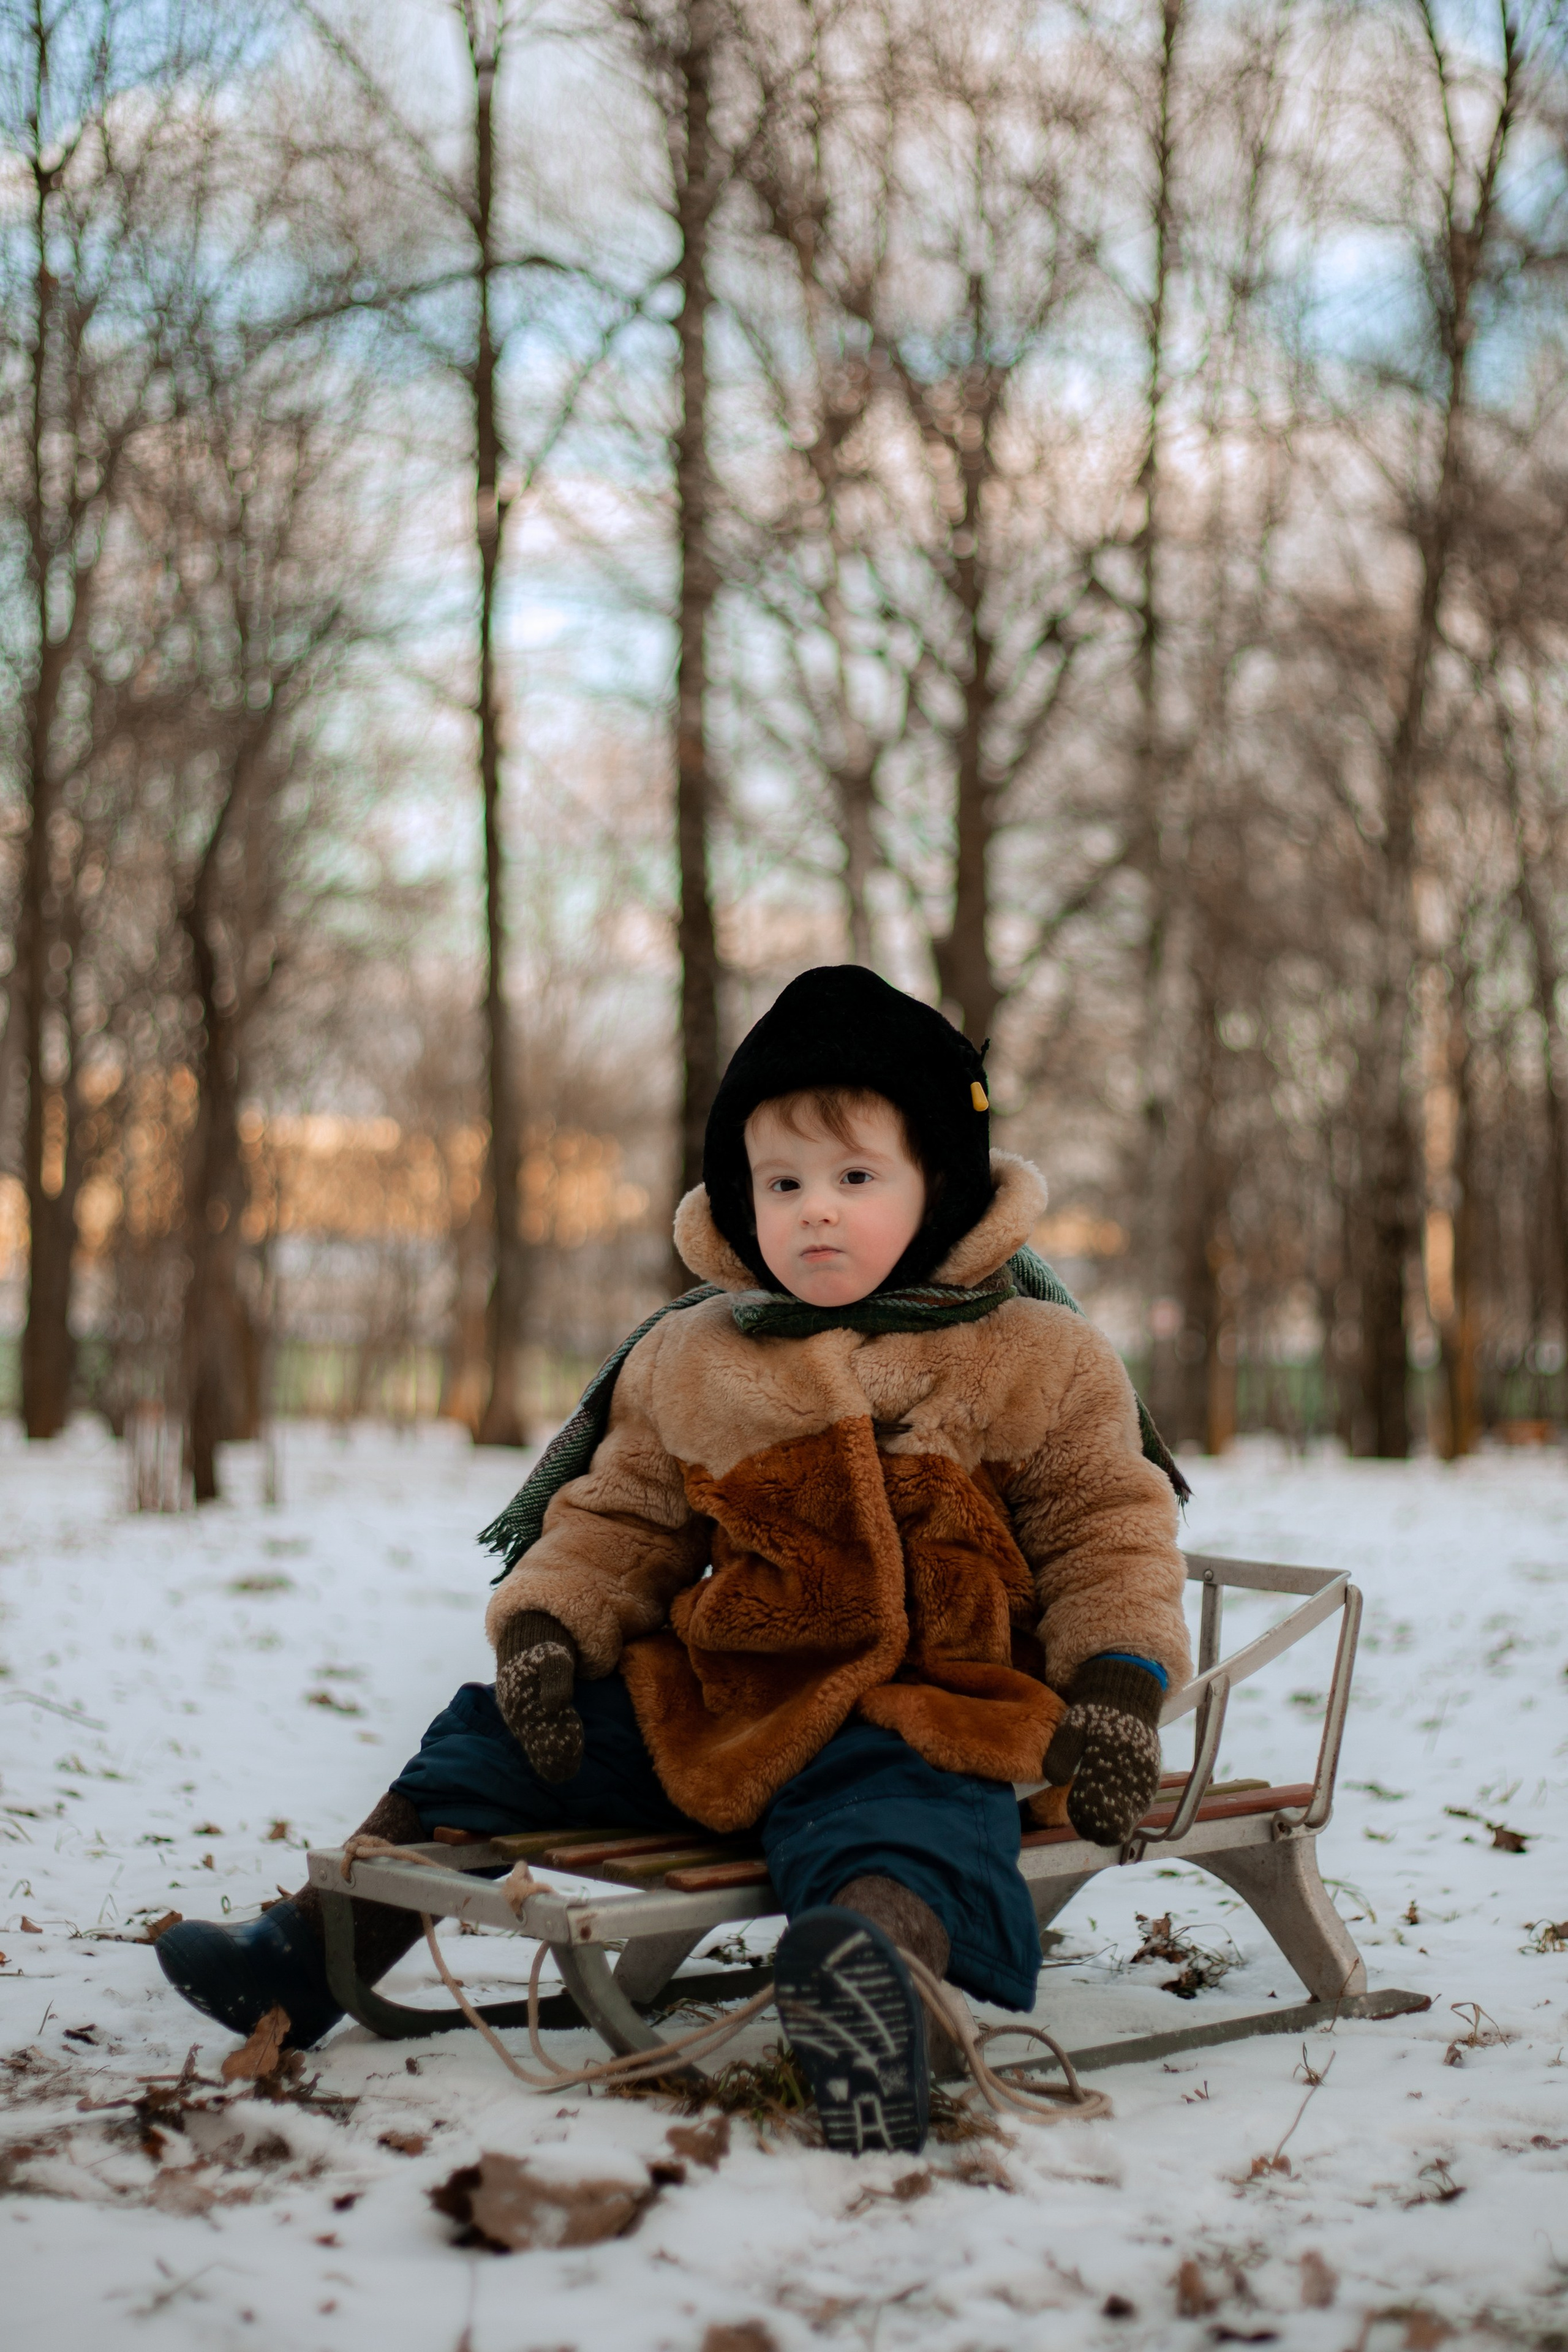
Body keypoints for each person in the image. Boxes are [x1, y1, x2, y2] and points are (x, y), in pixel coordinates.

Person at [157, 967, 1191, 2154]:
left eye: (856, 1179)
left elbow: (1107, 1531)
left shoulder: (1034, 1356)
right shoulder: (695, 1353)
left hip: (923, 1707)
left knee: (906, 1827)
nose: (814, 1210)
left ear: (938, 1186)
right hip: (725, 1701)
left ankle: (871, 1989)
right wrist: (550, 1632)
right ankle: (300, 1958)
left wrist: (1116, 1687)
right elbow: (622, 1517)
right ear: (739, 1197)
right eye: (782, 1182)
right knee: (482, 1741)